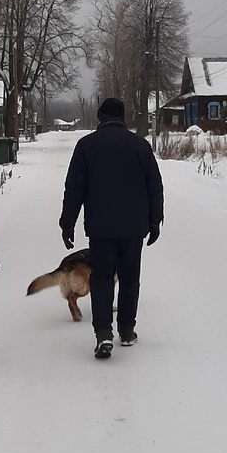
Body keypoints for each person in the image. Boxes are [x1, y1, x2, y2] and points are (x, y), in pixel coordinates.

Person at [59, 97, 163, 359]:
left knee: (103, 277)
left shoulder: (86, 146)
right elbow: (154, 187)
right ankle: (127, 331)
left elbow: (74, 188)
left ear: (100, 117)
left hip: (100, 227)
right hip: (133, 227)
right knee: (129, 278)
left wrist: (67, 222)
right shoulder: (140, 146)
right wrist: (154, 221)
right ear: (124, 117)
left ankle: (103, 332)